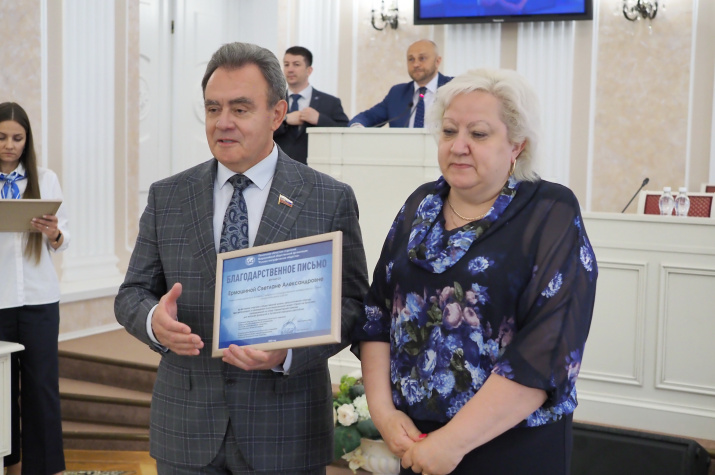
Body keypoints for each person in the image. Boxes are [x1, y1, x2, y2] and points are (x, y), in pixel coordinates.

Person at [114, 42, 368, 474]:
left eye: (240, 108)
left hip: (286, 430)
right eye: (213, 108)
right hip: (187, 428)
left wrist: (287, 353)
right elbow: (131, 294)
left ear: (277, 113)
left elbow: (354, 305)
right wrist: (154, 320)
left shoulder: (328, 198)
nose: (223, 122)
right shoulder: (167, 197)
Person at [353, 69, 597, 475]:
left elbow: (548, 347)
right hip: (416, 441)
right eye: (449, 131)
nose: (459, 146)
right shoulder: (420, 205)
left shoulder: (550, 211)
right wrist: (384, 414)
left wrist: (453, 441)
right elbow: (377, 313)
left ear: (517, 145)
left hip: (512, 445)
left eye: (479, 134)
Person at [0, 102, 69, 475]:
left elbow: (63, 239)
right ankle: (8, 464)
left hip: (40, 300)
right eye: (1, 137)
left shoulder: (45, 178)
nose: (9, 145)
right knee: (2, 390)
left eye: (17, 138)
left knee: (41, 388)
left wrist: (53, 232)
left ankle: (46, 469)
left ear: (27, 140)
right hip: (0, 300)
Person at [348, 39, 452, 128]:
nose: (416, 64)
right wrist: (356, 127)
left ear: (437, 61)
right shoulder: (397, 93)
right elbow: (367, 117)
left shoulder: (453, 88)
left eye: (422, 58)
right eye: (411, 59)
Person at [273, 46, 349, 164]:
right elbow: (260, 132)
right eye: (286, 65)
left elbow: (346, 134)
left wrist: (319, 119)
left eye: (296, 64)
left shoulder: (330, 102)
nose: (290, 69)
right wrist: (285, 119)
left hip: (318, 167)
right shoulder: (273, 101)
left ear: (309, 70)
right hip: (280, 166)